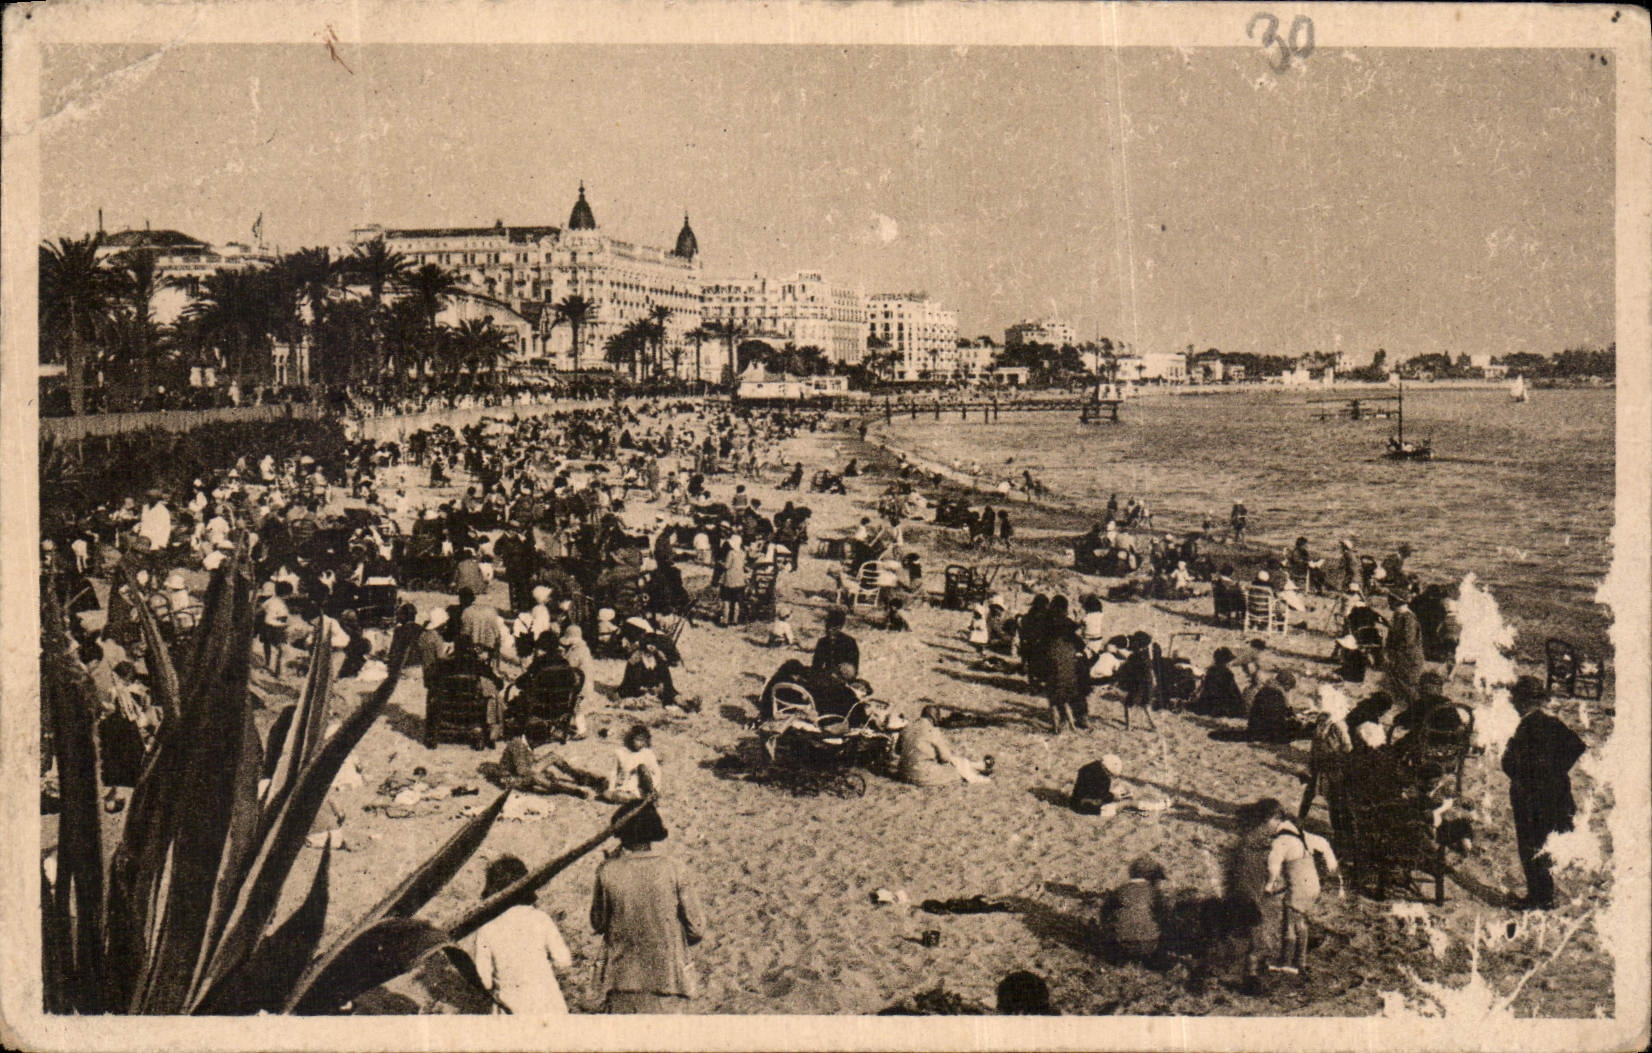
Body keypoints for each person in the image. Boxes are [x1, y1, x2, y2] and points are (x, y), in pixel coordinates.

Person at [589, 802, 706, 1014]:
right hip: (670, 981)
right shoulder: (674, 869)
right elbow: (696, 929)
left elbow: (598, 923)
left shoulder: (607, 871)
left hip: (622, 982)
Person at [1502, 675, 1587, 910]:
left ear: (1522, 702)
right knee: (1543, 846)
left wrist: (1530, 775)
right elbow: (1577, 746)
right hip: (1555, 796)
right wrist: (1556, 770)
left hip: (1531, 799)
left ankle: (1538, 898)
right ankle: (1543, 895)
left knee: (1531, 848)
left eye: (1516, 701)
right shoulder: (1551, 722)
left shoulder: (1527, 727)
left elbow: (1512, 763)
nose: (1515, 705)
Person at [471, 855, 574, 1015]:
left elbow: (484, 981)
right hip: (548, 1004)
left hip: (511, 1008)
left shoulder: (486, 928)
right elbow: (564, 961)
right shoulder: (540, 918)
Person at [1263, 802, 1339, 977]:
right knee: (1300, 921)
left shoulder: (1281, 840)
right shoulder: (1301, 834)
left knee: (1290, 924)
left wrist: (1269, 886)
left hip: (1298, 889)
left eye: (1267, 823)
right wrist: (1332, 869)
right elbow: (1325, 844)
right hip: (1313, 886)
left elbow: (1273, 868)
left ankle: (1286, 962)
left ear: (1274, 820)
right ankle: (1301, 962)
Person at [896, 704, 990, 786]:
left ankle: (979, 765)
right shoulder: (933, 731)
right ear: (934, 718)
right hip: (923, 775)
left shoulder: (907, 727)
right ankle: (978, 770)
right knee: (957, 769)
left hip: (904, 773)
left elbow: (897, 751)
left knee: (956, 762)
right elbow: (946, 758)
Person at [1104, 855, 1170, 966]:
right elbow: (1164, 916)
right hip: (1149, 945)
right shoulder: (1155, 893)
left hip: (1122, 944)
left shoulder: (1120, 891)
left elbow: (1105, 914)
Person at [1382, 589, 1424, 706]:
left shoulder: (1408, 618)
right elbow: (1391, 638)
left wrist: (1394, 654)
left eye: (1390, 600)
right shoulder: (1397, 615)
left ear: (1397, 601)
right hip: (1400, 659)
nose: (1388, 602)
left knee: (1409, 690)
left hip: (1409, 660)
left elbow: (1408, 641)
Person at [606, 724, 664, 803]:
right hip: (628, 785)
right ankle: (633, 799)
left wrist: (655, 788)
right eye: (637, 739)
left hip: (643, 786)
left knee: (642, 768)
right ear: (631, 739)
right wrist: (611, 788)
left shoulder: (648, 753)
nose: (640, 743)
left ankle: (649, 795)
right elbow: (614, 772)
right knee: (610, 794)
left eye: (643, 740)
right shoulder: (620, 752)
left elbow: (657, 773)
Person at [1190, 646, 1246, 719]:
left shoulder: (1210, 671)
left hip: (1206, 703)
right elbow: (1234, 691)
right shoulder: (1227, 674)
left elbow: (1203, 687)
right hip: (1220, 705)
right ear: (1226, 661)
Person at [811, 608, 860, 679]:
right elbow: (816, 666)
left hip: (844, 678)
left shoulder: (849, 642)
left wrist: (840, 673)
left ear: (840, 627)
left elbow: (853, 668)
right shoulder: (822, 642)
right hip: (826, 677)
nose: (830, 631)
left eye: (834, 628)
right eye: (828, 627)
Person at [259, 580, 293, 678]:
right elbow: (283, 618)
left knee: (267, 645)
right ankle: (280, 673)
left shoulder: (270, 600)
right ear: (286, 594)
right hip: (277, 628)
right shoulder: (282, 604)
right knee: (282, 650)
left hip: (266, 626)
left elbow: (260, 609)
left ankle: (267, 663)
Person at [719, 533, 748, 626]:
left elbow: (727, 566)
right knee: (736, 601)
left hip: (729, 580)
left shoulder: (731, 553)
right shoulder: (743, 553)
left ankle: (725, 620)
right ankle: (735, 619)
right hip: (740, 580)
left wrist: (721, 563)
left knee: (726, 600)